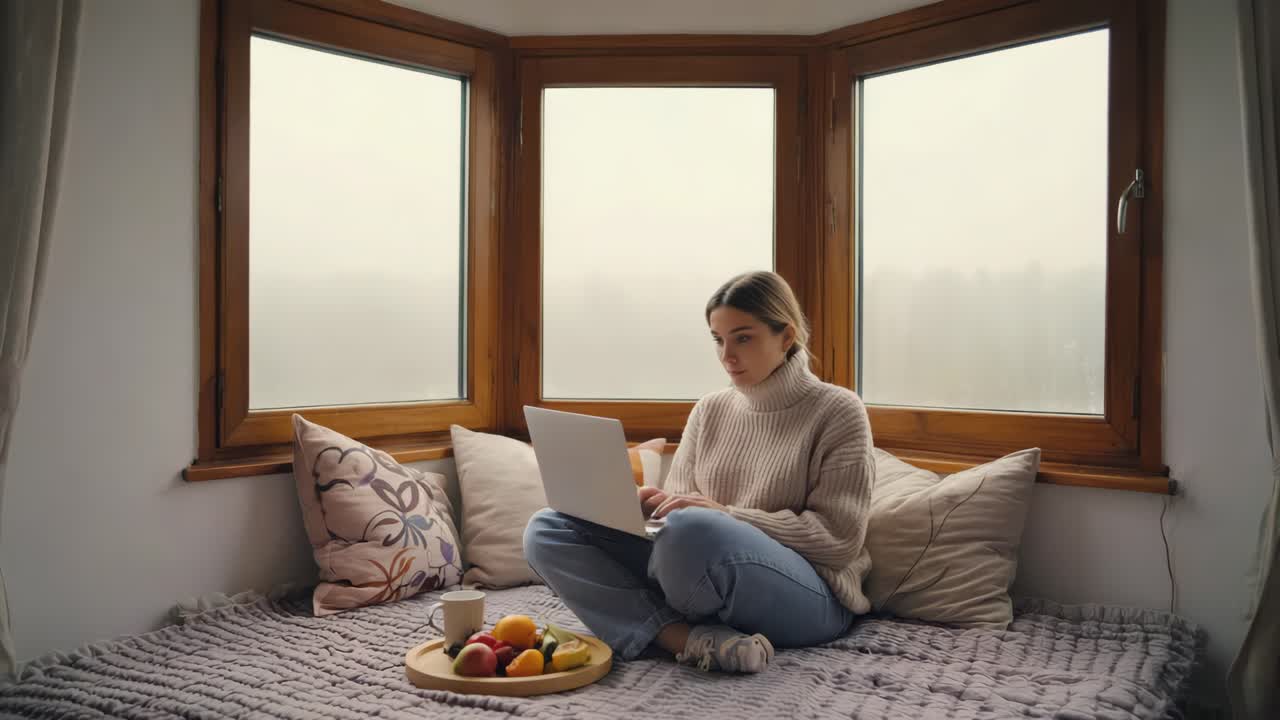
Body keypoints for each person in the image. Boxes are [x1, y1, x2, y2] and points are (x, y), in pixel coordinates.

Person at [523, 270, 874, 673]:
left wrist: (726, 516)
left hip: (812, 595)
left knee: (694, 531)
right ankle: (684, 638)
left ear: (787, 337)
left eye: (743, 337)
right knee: (546, 528)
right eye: (718, 339)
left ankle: (667, 620)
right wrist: (641, 511)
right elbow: (677, 524)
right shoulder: (711, 409)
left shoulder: (838, 411)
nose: (727, 355)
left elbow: (839, 540)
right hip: (699, 571)